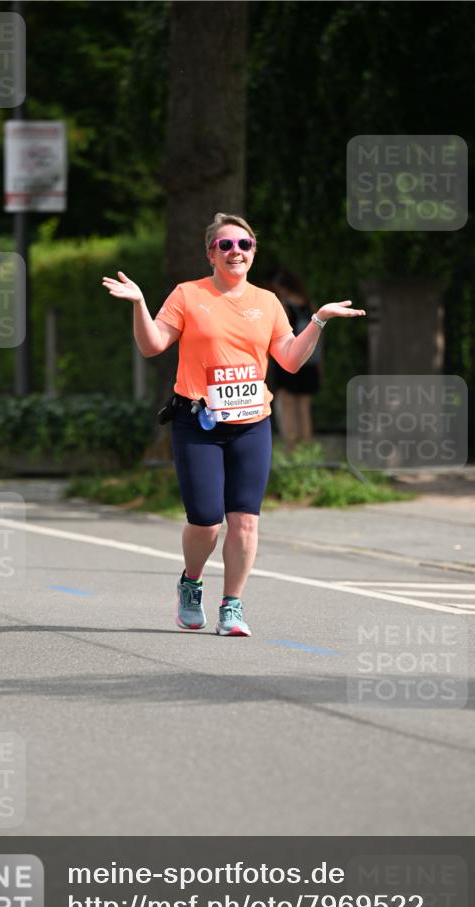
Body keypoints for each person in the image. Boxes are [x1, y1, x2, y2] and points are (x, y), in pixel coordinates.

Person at [102, 212, 365, 637]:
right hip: (198, 422)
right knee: (206, 521)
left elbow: (291, 361)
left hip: (252, 424)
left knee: (245, 520)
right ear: (211, 253)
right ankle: (191, 583)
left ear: (253, 252)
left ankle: (232, 606)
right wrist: (138, 304)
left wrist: (317, 320)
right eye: (225, 245)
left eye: (244, 245)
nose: (235, 252)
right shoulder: (188, 295)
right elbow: (152, 346)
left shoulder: (267, 302)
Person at [267, 269, 320, 450]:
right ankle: (307, 447)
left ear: (282, 287)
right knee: (304, 406)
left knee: (285, 403)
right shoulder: (310, 305)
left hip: (289, 360)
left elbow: (281, 334)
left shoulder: (284, 306)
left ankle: (291, 448)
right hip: (310, 360)